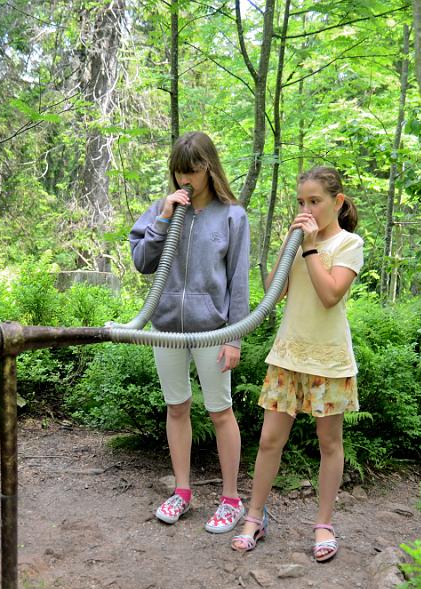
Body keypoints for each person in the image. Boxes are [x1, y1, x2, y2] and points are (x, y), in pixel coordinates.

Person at [231, 166, 363, 561]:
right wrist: (291, 245)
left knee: (329, 443)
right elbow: (274, 291)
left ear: (336, 203)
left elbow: (330, 295)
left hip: (329, 359)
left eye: (315, 201)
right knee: (270, 440)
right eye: (301, 202)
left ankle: (323, 524)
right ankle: (254, 517)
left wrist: (309, 248)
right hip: (288, 355)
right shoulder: (297, 241)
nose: (307, 208)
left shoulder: (348, 243)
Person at [129, 131, 250, 534]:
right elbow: (143, 262)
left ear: (209, 169)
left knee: (220, 411)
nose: (186, 179)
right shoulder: (160, 209)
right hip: (166, 328)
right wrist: (164, 217)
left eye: (193, 171)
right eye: (179, 171)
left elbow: (238, 282)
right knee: (176, 407)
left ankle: (231, 499)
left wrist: (234, 338)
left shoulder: (232, 215)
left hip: (213, 330)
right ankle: (182, 491)